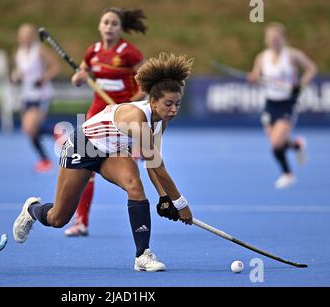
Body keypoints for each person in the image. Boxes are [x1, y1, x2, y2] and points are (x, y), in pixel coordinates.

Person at [13, 53, 194, 272]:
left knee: (134, 186)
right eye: (168, 104)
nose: (174, 110)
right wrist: (180, 203)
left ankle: (142, 256)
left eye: (177, 104)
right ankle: (32, 209)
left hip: (111, 151)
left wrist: (164, 198)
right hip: (82, 147)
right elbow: (157, 165)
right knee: (58, 218)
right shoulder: (138, 119)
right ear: (153, 102)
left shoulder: (160, 121)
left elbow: (152, 163)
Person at [64, 7, 147, 236]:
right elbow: (78, 79)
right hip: (95, 118)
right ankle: (81, 221)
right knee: (86, 169)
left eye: (114, 23)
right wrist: (79, 77)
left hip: (122, 120)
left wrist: (129, 103)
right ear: (100, 26)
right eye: (106, 22)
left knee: (129, 175)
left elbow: (146, 85)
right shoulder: (93, 52)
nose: (109, 26)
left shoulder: (130, 53)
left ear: (120, 29)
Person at [249, 23, 316, 189]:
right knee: (276, 141)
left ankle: (288, 174)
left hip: (287, 103)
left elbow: (311, 69)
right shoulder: (261, 57)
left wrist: (301, 84)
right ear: (267, 40)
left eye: (277, 38)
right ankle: (297, 146)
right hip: (270, 103)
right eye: (271, 38)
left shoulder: (292, 55)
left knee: (276, 144)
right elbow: (256, 76)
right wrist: (253, 78)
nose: (274, 41)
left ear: (282, 39)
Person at [11, 23, 60, 173]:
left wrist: (44, 78)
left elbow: (55, 68)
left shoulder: (39, 50)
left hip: (41, 94)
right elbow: (19, 71)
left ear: (32, 37)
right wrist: (16, 76)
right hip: (27, 95)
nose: (25, 38)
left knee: (29, 127)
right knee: (30, 130)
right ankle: (53, 136)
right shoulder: (18, 53)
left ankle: (46, 156)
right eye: (22, 36)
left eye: (28, 35)